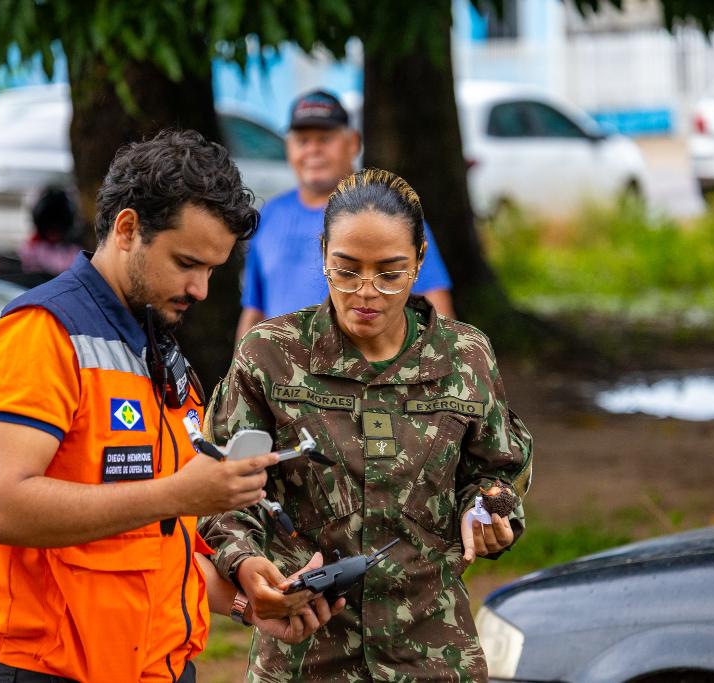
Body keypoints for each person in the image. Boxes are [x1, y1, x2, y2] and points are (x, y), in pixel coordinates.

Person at [0, 129, 340, 683]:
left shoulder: (156, 348)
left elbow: (153, 544)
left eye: (212, 270)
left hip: (161, 667)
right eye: (187, 262)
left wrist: (250, 595)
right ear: (127, 229)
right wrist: (180, 493)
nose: (201, 288)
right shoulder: (40, 336)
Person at [201, 168, 533, 681]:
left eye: (390, 272)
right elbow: (219, 489)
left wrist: (486, 511)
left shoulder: (466, 357)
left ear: (421, 259)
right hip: (304, 654)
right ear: (323, 255)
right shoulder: (269, 356)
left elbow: (498, 468)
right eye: (347, 270)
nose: (366, 293)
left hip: (432, 652)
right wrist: (245, 563)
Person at [235, 89, 455, 342]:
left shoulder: (393, 215)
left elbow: (438, 313)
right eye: (302, 141)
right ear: (288, 148)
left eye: (324, 139)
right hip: (280, 375)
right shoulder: (271, 215)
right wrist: (239, 370)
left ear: (353, 143)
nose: (313, 150)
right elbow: (254, 309)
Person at [17, 185, 82, 276]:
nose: (53, 234)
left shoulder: (73, 250)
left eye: (57, 229)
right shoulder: (32, 248)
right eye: (50, 229)